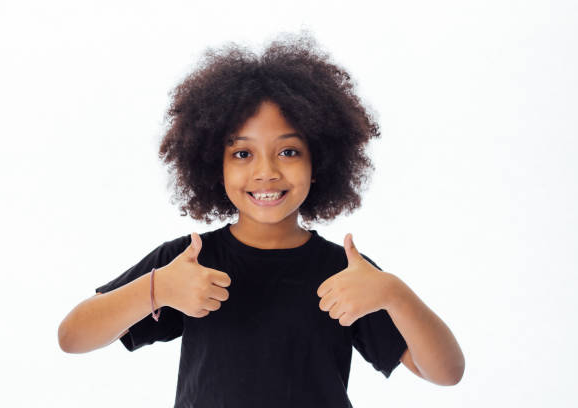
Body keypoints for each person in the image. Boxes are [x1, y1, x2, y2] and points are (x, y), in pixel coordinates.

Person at [57, 31, 464, 407]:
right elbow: (73, 337)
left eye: (288, 152)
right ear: (213, 165)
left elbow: (446, 373)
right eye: (242, 154)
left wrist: (394, 293)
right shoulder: (187, 263)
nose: (265, 171)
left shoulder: (346, 274)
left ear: (318, 161)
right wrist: (157, 288)